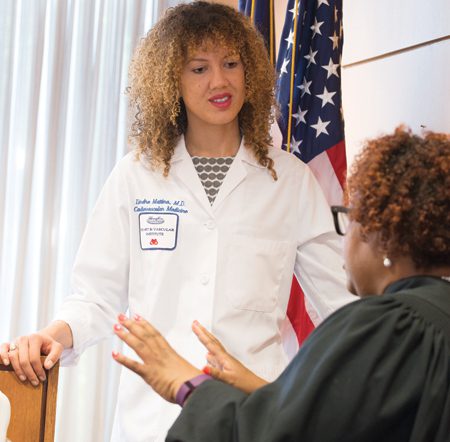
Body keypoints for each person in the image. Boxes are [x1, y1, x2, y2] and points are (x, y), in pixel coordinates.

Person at [0, 2, 353, 441]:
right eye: (199, 68)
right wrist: (53, 334)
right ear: (172, 80)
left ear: (252, 73)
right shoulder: (136, 174)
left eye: (231, 63)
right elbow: (95, 296)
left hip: (249, 416)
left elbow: (341, 306)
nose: (220, 81)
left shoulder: (291, 180)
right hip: (152, 418)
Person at [112, 127, 450, 442]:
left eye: (350, 218)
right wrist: (257, 387)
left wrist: (184, 383)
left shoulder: (387, 328)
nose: (344, 237)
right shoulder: (435, 323)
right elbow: (331, 426)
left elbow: (277, 435)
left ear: (385, 235)